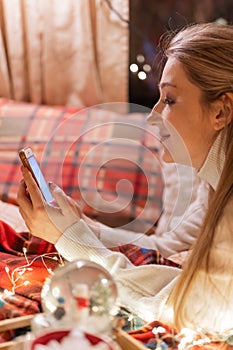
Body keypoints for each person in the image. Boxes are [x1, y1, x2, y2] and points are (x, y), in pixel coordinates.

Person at [17, 22, 233, 334]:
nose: (152, 115)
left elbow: (184, 312)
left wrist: (73, 238)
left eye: (170, 100)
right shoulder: (216, 183)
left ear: (221, 112)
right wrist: (78, 229)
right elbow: (192, 287)